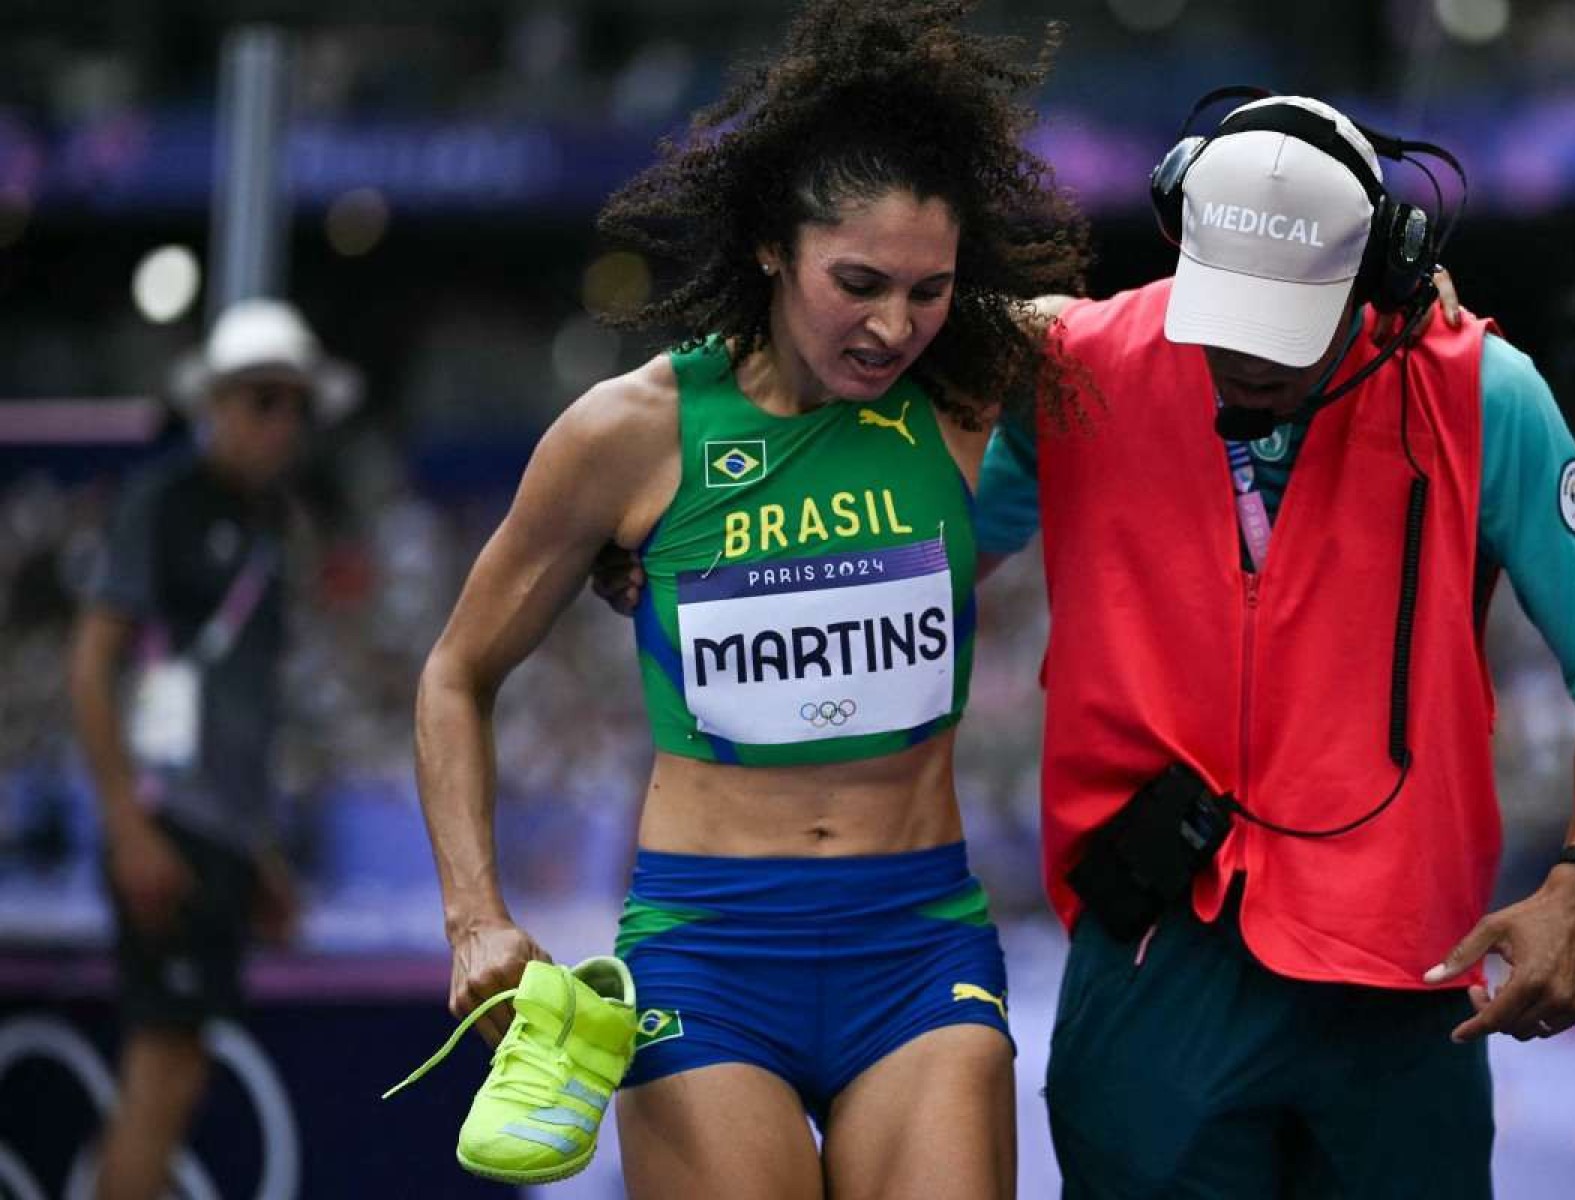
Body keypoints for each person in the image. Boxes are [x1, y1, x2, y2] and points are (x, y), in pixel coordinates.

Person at [409, 3, 1088, 1197]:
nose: (893, 327)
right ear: (775, 245)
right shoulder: (631, 435)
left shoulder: (976, 384)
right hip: (708, 957)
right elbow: (455, 676)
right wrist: (475, 914)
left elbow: (1193, 331)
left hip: (918, 945)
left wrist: (1394, 289)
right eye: (860, 282)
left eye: (930, 290)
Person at [970, 94, 1575, 1197]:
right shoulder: (1080, 368)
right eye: (1229, 318)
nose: (1248, 360)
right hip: (1158, 956)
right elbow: (925, 552)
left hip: (1407, 981)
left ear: (1381, 275)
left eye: (1286, 327)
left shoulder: (1487, 396)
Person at [68, 298, 357, 1200]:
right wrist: (129, 826)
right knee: (164, 1072)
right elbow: (90, 666)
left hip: (218, 833)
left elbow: (246, 719)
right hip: (167, 826)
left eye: (293, 404)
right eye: (261, 400)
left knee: (178, 1073)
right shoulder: (164, 503)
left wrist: (258, 849)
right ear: (216, 404)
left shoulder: (272, 531)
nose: (281, 423)